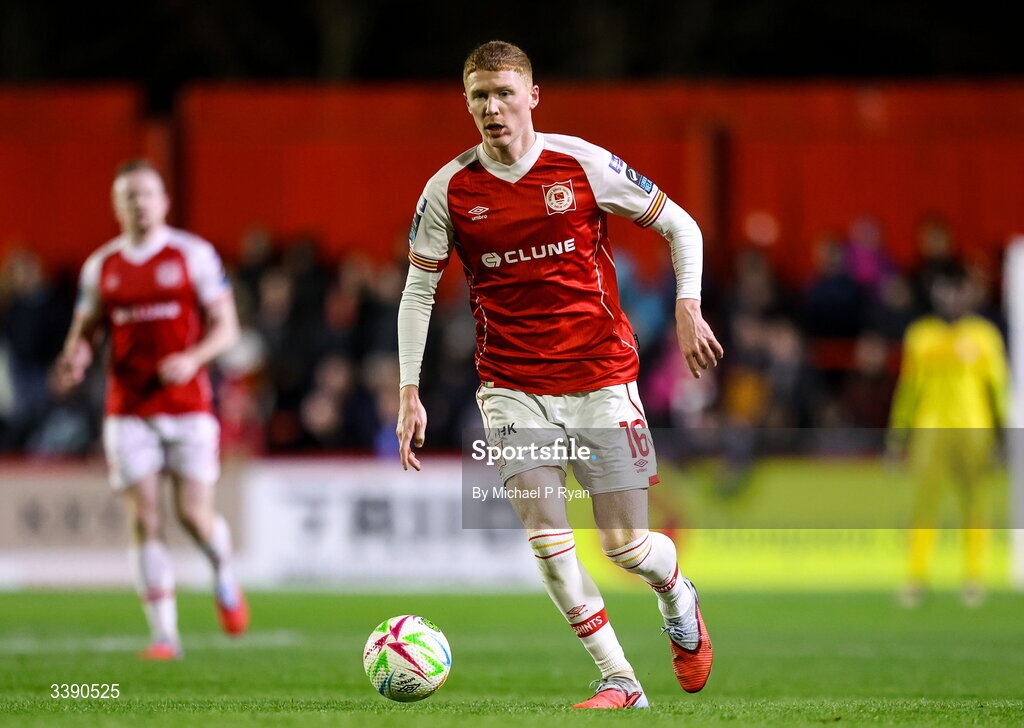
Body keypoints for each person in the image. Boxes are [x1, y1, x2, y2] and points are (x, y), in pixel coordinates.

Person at [396, 41, 722, 709]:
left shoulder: (582, 163)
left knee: (625, 546)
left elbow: (681, 226)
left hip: (602, 376)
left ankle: (677, 596)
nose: (492, 108)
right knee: (547, 538)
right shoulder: (449, 190)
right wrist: (409, 391)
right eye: (479, 96)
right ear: (467, 102)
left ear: (533, 96)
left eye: (505, 93)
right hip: (513, 387)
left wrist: (687, 304)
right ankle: (619, 679)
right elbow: (417, 291)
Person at [54, 159, 248, 659]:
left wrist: (194, 357)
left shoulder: (193, 255)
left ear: (163, 202)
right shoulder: (103, 267)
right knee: (143, 519)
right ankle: (165, 636)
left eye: (146, 194)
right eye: (128, 196)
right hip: (128, 408)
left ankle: (224, 573)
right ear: (117, 206)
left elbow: (227, 328)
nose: (138, 203)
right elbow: (85, 331)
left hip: (187, 406)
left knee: (193, 516)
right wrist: (74, 358)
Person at [888, 262, 1008, 607]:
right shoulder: (921, 334)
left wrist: (1002, 435)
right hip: (930, 431)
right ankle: (916, 578)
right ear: (936, 293)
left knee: (975, 505)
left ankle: (974, 579)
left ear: (968, 293)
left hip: (975, 430)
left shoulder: (985, 335)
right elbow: (909, 388)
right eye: (944, 288)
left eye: (957, 289)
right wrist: (898, 435)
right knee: (925, 506)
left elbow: (998, 388)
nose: (950, 296)